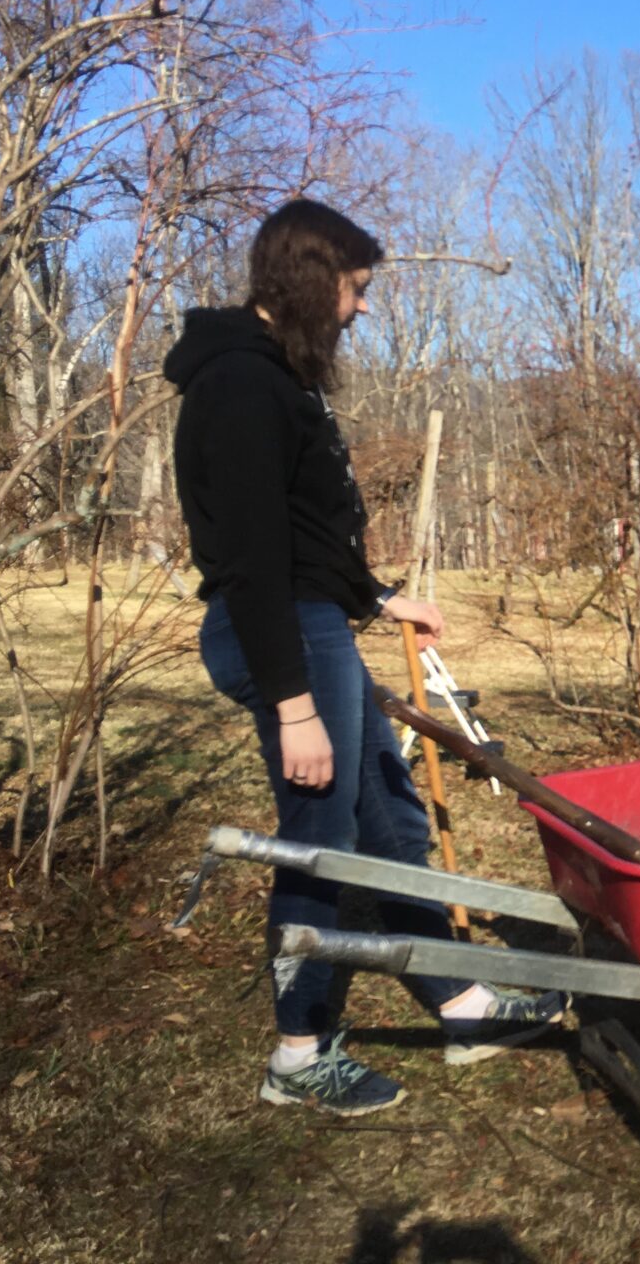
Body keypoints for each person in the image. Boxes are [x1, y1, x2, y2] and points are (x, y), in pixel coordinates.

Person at [165, 198, 564, 1116]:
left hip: (310, 623)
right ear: (312, 282)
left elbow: (303, 531)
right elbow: (258, 558)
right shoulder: (239, 385)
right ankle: (299, 1054)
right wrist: (295, 703)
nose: (362, 308)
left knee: (387, 815)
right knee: (320, 842)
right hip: (280, 637)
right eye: (356, 289)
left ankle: (462, 1006)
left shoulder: (275, 376)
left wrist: (376, 599)